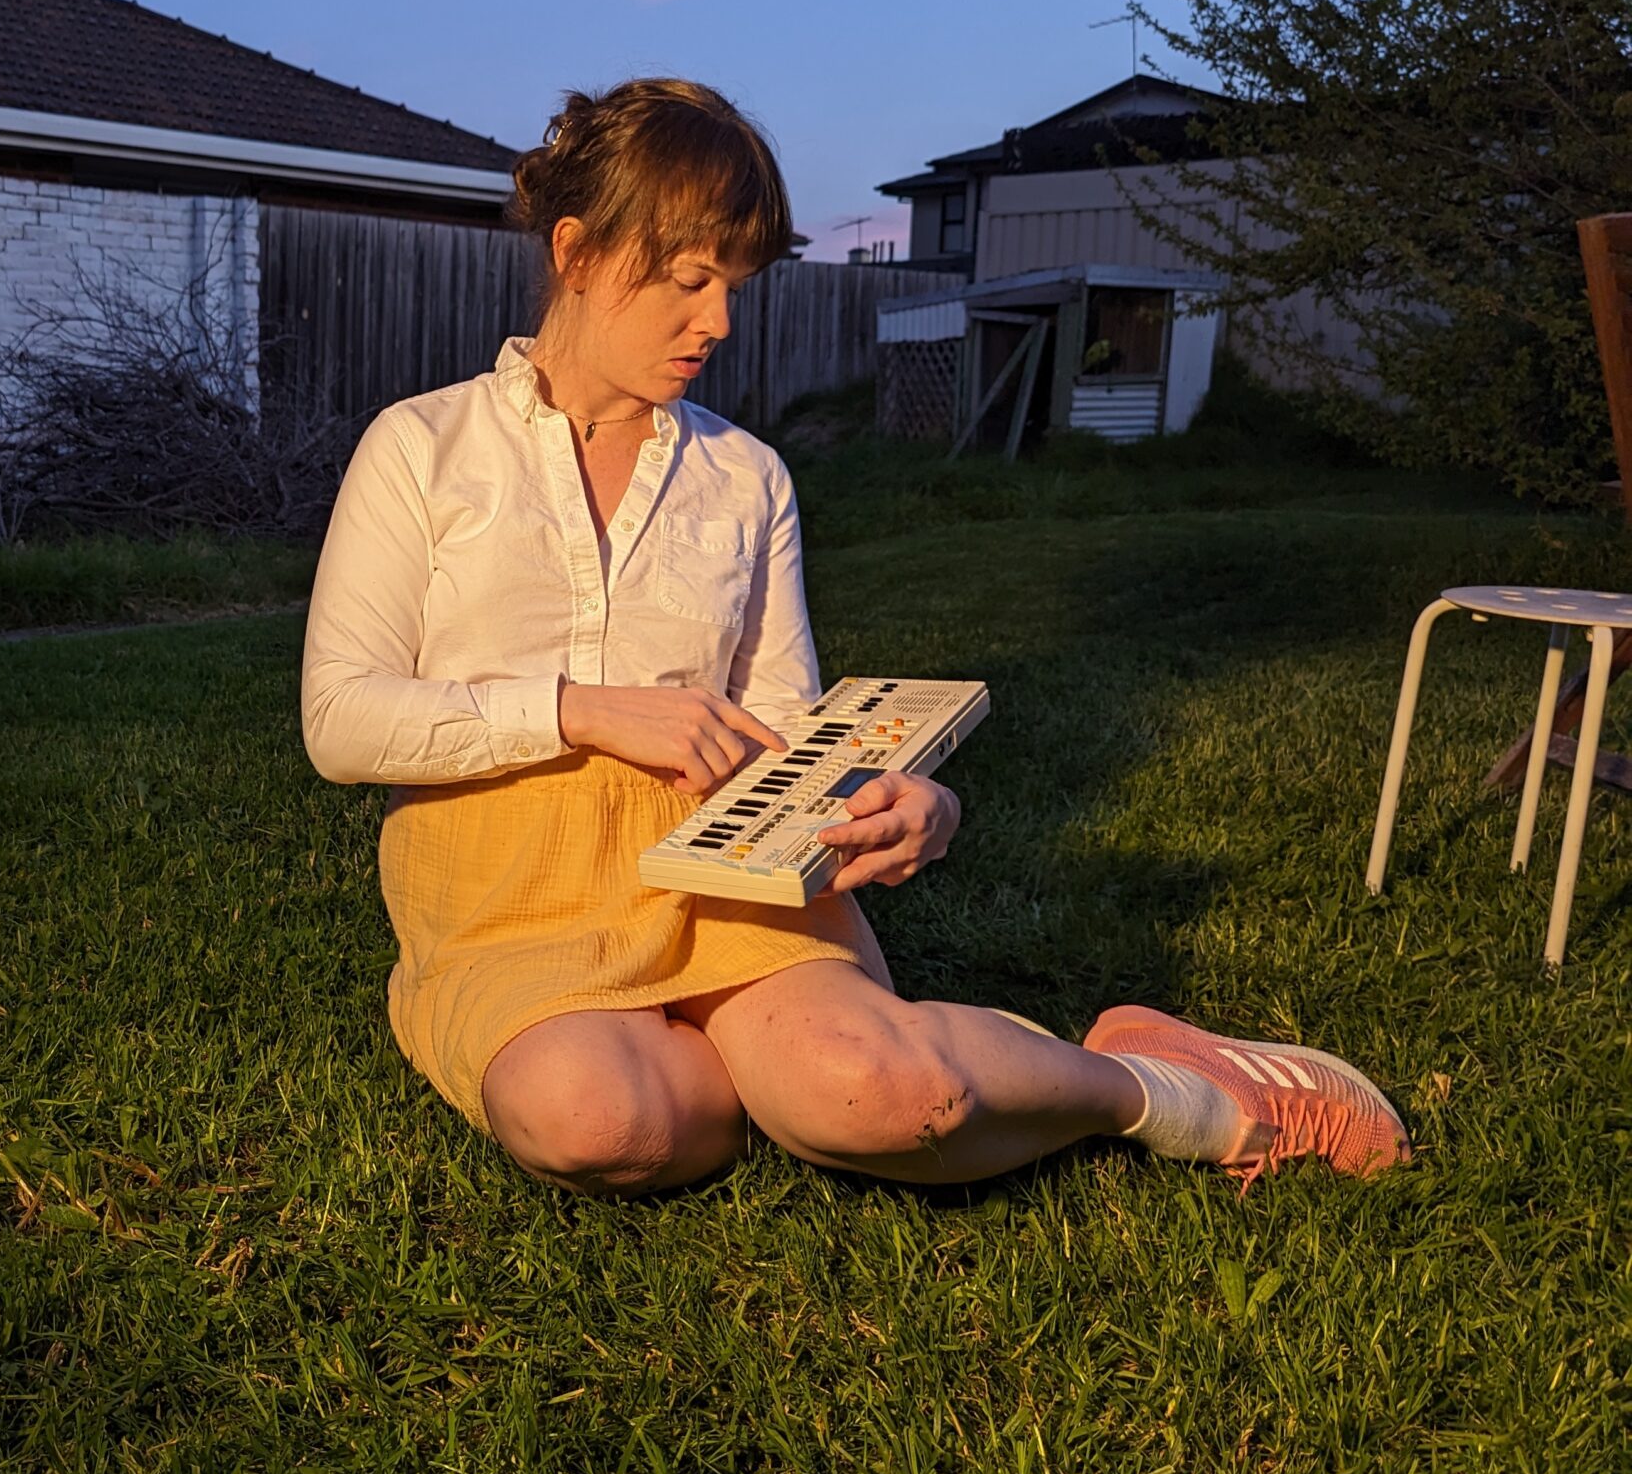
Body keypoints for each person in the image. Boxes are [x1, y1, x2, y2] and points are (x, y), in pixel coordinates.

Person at [299, 77, 1410, 1198]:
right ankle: (775, 1067)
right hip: (505, 888)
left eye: (734, 285)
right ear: (580, 254)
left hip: (730, 874)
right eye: (689, 282)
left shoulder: (742, 475)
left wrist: (897, 799)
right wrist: (578, 708)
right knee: (593, 1118)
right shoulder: (422, 447)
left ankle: (1172, 1087)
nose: (719, 322)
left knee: (892, 1098)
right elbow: (341, 718)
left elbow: (792, 729)